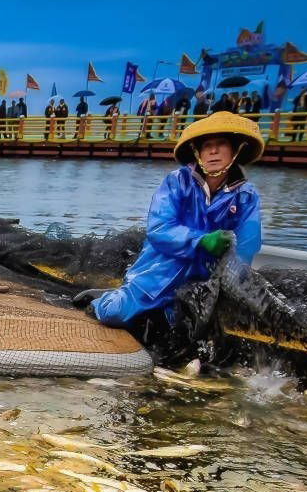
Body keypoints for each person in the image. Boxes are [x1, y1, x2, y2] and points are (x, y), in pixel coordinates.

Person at [76, 112, 263, 333]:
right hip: (160, 271)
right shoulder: (177, 181)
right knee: (115, 313)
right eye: (207, 146)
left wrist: (234, 284)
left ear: (235, 150)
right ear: (198, 152)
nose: (213, 151)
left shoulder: (247, 195)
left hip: (205, 280)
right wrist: (200, 240)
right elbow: (158, 229)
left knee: (183, 329)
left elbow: (248, 246)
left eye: (221, 144)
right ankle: (103, 300)